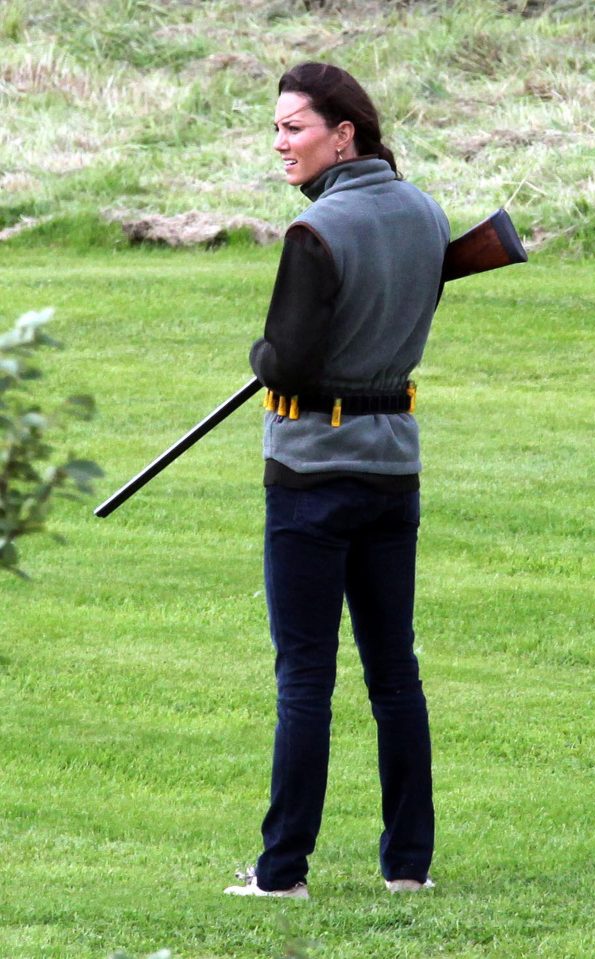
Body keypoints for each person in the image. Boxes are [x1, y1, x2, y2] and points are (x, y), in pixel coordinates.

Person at [224, 62, 449, 899]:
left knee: (305, 679)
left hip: (310, 475)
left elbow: (287, 359)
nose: (279, 143)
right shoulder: (428, 213)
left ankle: (282, 873)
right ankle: (408, 866)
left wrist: (260, 357)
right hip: (394, 469)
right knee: (395, 673)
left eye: (293, 127)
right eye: (277, 128)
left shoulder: (315, 233)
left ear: (342, 133)